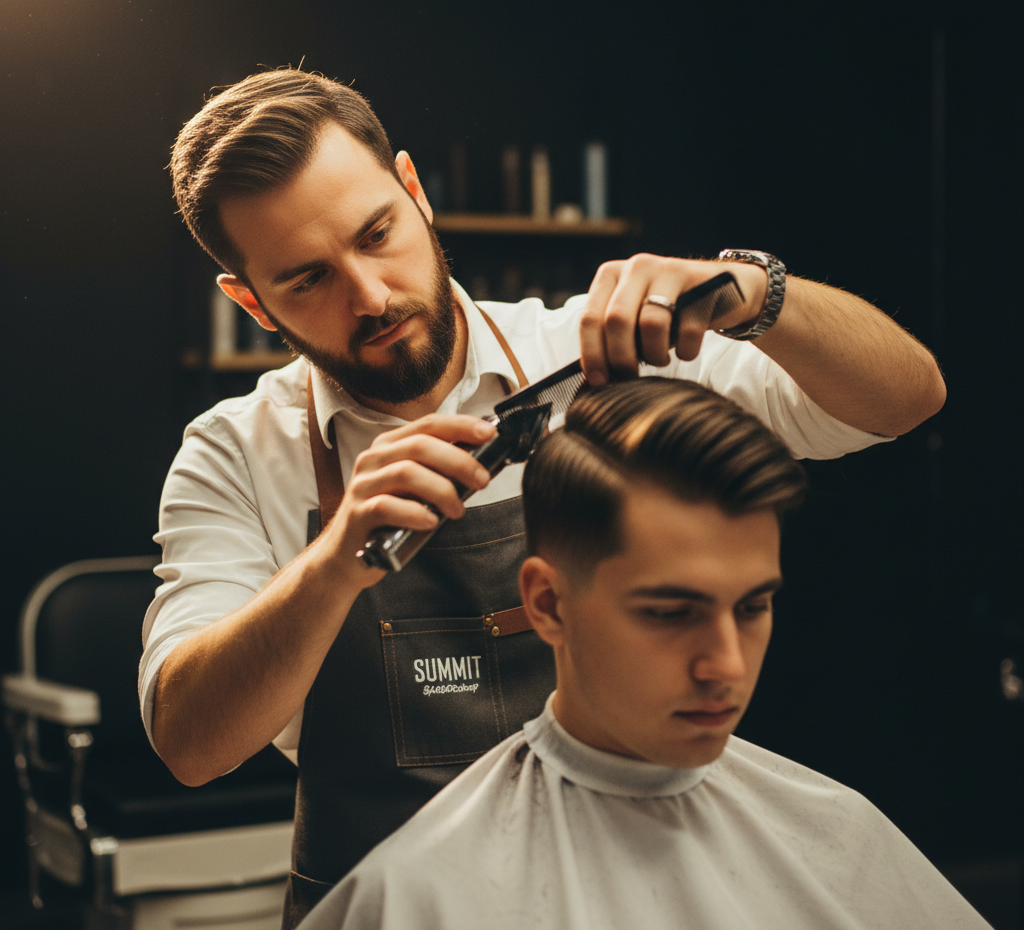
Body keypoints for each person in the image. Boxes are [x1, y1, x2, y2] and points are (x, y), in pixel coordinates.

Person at [139, 68, 946, 924]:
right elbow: (191, 744)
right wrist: (337, 561)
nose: (369, 295)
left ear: (414, 193)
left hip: (628, 889)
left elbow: (906, 399)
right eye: (307, 280)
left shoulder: (603, 357)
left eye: (376, 234)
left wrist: (754, 295)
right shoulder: (234, 451)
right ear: (251, 302)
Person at [298, 378, 986, 930]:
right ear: (548, 604)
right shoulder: (423, 896)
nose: (727, 665)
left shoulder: (839, 834)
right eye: (669, 613)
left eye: (752, 606)